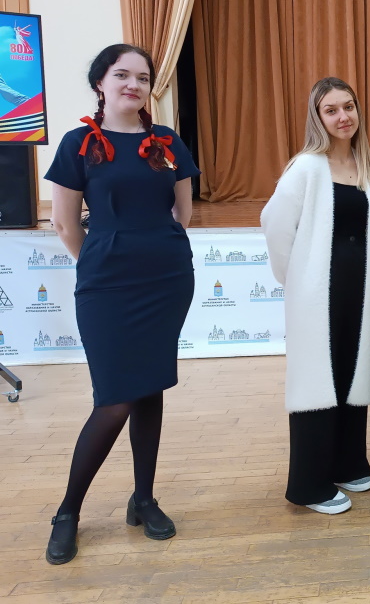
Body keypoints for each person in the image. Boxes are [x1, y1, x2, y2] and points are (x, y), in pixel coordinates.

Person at [43, 44, 200, 564]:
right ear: (101, 83)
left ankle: (143, 499)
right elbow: (64, 222)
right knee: (113, 400)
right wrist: (101, 259)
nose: (134, 84)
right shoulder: (78, 143)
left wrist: (153, 248)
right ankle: (67, 511)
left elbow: (183, 213)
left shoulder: (167, 141)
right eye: (122, 74)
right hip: (106, 284)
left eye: (143, 78)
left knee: (149, 387)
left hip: (166, 279)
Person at [261, 77, 370, 514]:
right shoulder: (306, 168)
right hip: (316, 293)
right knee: (317, 381)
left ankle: (347, 463)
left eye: (348, 106)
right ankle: (309, 484)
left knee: (351, 373)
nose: (342, 117)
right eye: (331, 110)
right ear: (317, 118)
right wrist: (295, 279)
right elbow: (275, 224)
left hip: (358, 290)